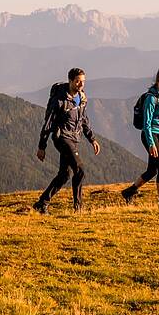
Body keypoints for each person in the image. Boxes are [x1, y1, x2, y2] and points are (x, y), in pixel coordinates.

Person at [34, 68, 100, 213]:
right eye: (77, 81)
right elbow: (48, 123)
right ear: (70, 81)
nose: (80, 84)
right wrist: (42, 146)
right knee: (80, 170)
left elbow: (83, 120)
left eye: (83, 81)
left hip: (74, 138)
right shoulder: (59, 100)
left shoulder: (82, 98)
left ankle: (42, 203)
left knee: (65, 175)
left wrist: (92, 139)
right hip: (62, 137)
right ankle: (78, 207)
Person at [120, 67, 159, 209]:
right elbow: (146, 123)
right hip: (149, 135)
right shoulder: (151, 99)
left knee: (153, 170)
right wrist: (151, 143)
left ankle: (129, 191)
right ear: (157, 82)